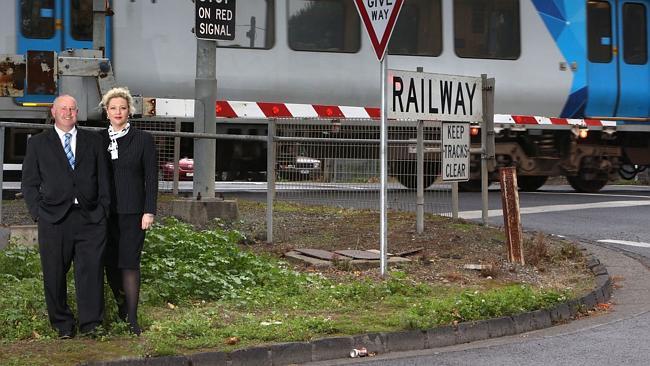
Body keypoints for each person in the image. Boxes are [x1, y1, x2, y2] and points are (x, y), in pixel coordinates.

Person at [21, 95, 110, 339]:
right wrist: (38, 212)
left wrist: (103, 210)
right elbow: (29, 182)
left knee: (91, 271)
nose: (68, 112)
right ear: (53, 112)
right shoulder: (38, 143)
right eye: (63, 108)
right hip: (54, 218)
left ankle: (91, 323)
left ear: (77, 112)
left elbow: (104, 179)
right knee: (54, 273)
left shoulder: (93, 141)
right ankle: (62, 324)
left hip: (90, 217)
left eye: (72, 109)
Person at [100, 87, 157, 335]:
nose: (118, 112)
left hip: (134, 213)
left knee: (129, 263)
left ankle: (132, 319)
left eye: (122, 108)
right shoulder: (99, 140)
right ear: (106, 111)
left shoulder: (143, 140)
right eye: (113, 108)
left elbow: (151, 179)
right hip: (105, 213)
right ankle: (122, 306)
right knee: (109, 264)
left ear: (129, 111)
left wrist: (149, 211)